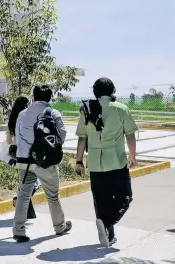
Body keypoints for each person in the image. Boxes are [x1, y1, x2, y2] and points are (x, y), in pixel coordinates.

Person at [76, 77, 137, 248]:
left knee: (101, 200)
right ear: (112, 91)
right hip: (116, 162)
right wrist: (133, 157)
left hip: (95, 163)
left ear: (95, 92)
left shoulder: (86, 110)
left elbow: (82, 138)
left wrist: (79, 161)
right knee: (125, 197)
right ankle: (108, 224)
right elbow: (130, 135)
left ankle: (108, 237)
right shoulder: (120, 109)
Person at [12, 85, 72, 242]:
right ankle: (60, 226)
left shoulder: (22, 114)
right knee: (52, 196)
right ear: (50, 97)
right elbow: (62, 134)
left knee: (23, 195)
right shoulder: (53, 113)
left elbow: (17, 135)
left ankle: (18, 230)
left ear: (34, 96)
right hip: (45, 162)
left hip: (24, 162)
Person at [7, 96, 39, 220]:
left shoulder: (12, 120)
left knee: (25, 181)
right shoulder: (27, 118)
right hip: (27, 153)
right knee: (34, 182)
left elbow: (8, 141)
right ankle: (18, 200)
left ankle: (29, 212)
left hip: (16, 154)